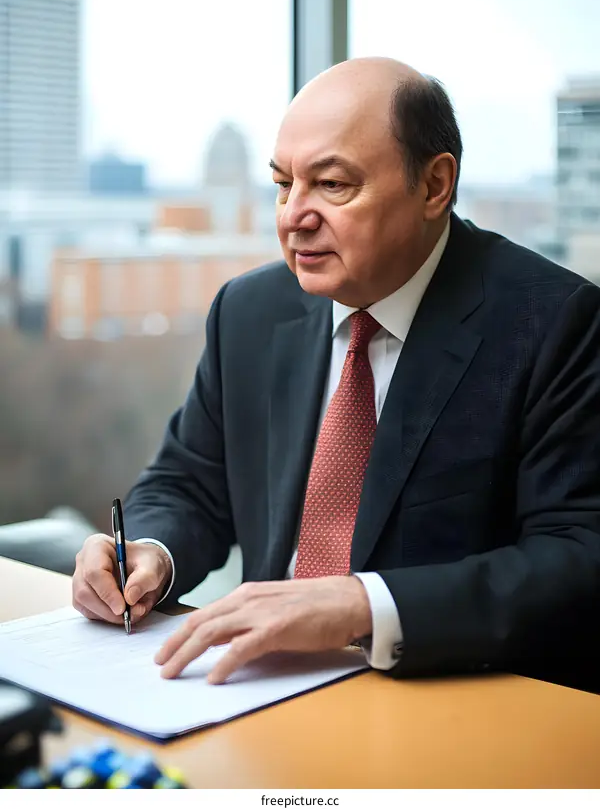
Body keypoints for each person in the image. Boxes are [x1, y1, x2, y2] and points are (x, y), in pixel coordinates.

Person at [73, 57, 600, 689]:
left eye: (331, 185)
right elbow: (189, 484)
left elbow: (576, 558)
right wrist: (147, 553)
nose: (293, 216)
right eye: (282, 184)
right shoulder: (249, 310)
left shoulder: (553, 322)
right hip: (251, 688)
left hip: (444, 698)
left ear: (434, 186)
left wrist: (361, 605)